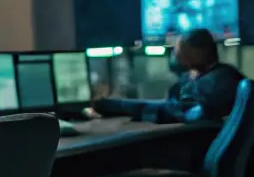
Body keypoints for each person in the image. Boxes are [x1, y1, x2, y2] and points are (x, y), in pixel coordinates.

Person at [91, 28, 242, 123]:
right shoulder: (199, 78)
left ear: (197, 54)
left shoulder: (219, 82)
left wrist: (120, 108)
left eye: (180, 52)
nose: (175, 57)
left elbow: (177, 112)